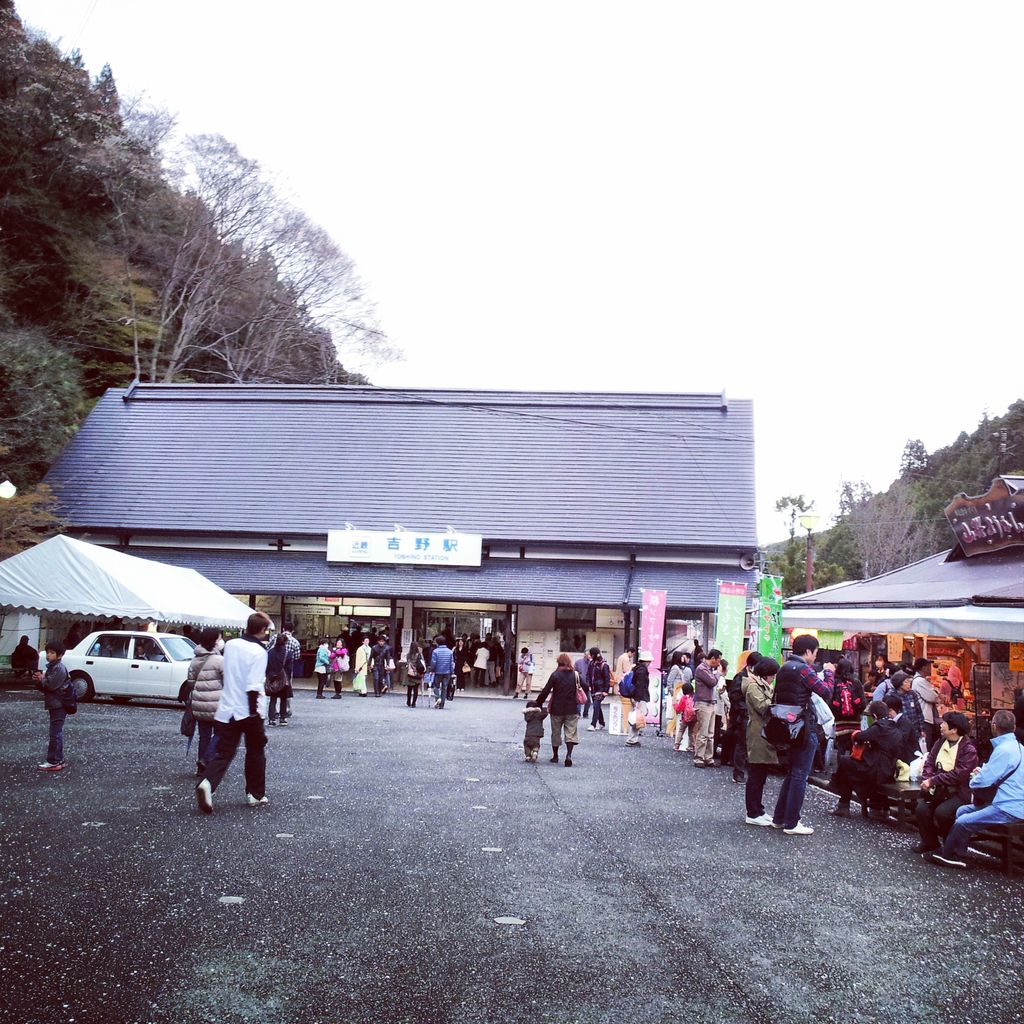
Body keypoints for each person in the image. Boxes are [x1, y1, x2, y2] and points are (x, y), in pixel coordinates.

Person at [195, 611, 271, 813]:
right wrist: (254, 713)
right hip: (249, 710)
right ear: (263, 629)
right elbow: (253, 685)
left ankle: (207, 783)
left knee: (225, 752)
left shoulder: (231, 645)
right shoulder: (259, 652)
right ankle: (255, 794)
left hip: (227, 707)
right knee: (255, 751)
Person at [928, 709, 1024, 869]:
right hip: (1011, 802)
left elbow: (982, 781)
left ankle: (949, 854)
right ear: (1013, 728)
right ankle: (959, 853)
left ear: (994, 726)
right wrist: (984, 772)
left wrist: (974, 778)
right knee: (962, 811)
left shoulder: (1003, 750)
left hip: (1007, 807)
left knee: (963, 821)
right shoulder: (1018, 747)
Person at [771, 635, 835, 836]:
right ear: (808, 651)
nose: (815, 657)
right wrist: (829, 673)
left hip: (788, 727)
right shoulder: (804, 670)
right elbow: (826, 692)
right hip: (805, 728)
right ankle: (792, 823)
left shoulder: (784, 668)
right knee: (800, 775)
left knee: (793, 773)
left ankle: (779, 818)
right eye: (815, 652)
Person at [915, 712, 979, 855]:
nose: (941, 725)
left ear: (954, 729)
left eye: (944, 723)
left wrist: (933, 780)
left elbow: (959, 775)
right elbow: (929, 762)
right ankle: (930, 843)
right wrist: (927, 778)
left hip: (958, 792)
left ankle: (951, 846)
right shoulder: (940, 742)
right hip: (938, 790)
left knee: (943, 812)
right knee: (922, 809)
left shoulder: (968, 750)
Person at [829, 700, 902, 817]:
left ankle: (841, 800)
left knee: (844, 761)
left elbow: (860, 737)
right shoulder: (895, 728)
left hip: (875, 770)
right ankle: (869, 806)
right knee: (847, 765)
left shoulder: (879, 727)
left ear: (874, 716)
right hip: (889, 770)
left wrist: (855, 734)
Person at [742, 656, 780, 825]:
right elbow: (763, 707)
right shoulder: (752, 686)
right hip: (758, 733)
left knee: (761, 774)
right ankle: (752, 812)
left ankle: (759, 809)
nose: (774, 678)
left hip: (764, 732)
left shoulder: (762, 685)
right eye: (772, 675)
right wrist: (777, 701)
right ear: (765, 674)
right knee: (756, 774)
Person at [187, 628, 224, 773]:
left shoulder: (195, 659)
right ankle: (206, 758)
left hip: (199, 704)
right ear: (214, 641)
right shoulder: (219, 660)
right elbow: (227, 681)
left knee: (204, 736)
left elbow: (191, 682)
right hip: (216, 704)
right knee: (221, 732)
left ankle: (201, 768)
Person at [535, 652, 581, 766]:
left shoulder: (555, 675)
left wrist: (538, 702)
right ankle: (568, 755)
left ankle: (555, 756)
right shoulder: (575, 674)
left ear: (558, 662)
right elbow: (584, 686)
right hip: (572, 708)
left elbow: (546, 690)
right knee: (571, 733)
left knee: (556, 732)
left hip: (556, 708)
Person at [33, 640, 71, 772]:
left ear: (59, 655)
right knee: (57, 732)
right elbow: (46, 687)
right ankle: (59, 759)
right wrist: (40, 680)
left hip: (58, 704)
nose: (48, 655)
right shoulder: (53, 667)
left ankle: (53, 761)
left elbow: (50, 685)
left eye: (52, 653)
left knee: (55, 733)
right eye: (48, 652)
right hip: (55, 703)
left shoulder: (59, 668)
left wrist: (41, 679)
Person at [828, 658, 866, 756]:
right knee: (854, 746)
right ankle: (852, 764)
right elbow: (863, 703)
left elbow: (830, 702)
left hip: (840, 721)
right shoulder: (856, 682)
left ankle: (840, 764)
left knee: (841, 747)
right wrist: (858, 713)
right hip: (855, 720)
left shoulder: (835, 683)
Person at [692, 649, 722, 767]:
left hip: (710, 703)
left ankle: (708, 757)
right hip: (703, 703)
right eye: (718, 660)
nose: (719, 663)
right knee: (703, 732)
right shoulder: (702, 669)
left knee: (710, 733)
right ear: (713, 658)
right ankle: (699, 758)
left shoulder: (708, 669)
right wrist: (719, 673)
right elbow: (712, 682)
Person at [884, 693, 923, 767]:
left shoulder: (904, 722)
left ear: (890, 710)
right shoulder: (894, 721)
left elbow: (899, 741)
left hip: (911, 762)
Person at [625, 650, 653, 748]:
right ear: (646, 661)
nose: (650, 663)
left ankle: (632, 738)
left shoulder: (636, 668)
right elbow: (640, 685)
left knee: (636, 717)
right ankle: (632, 739)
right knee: (638, 718)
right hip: (640, 697)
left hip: (636, 696)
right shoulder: (642, 670)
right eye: (649, 661)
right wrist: (637, 699)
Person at [911, 658, 940, 748]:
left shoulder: (919, 680)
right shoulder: (920, 681)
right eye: (929, 666)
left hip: (924, 718)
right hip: (924, 718)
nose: (930, 669)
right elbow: (932, 697)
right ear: (924, 668)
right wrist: (936, 693)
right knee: (925, 746)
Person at [278, 621, 301, 724]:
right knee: (286, 688)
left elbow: (268, 649)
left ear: (283, 629)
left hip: (275, 667)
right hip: (287, 669)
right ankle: (286, 710)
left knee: (274, 689)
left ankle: (274, 711)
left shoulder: (275, 638)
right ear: (293, 630)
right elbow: (297, 656)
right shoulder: (295, 642)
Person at [265, 634, 290, 725]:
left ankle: (272, 719)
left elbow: (267, 666)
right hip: (283, 677)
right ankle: (283, 718)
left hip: (272, 677)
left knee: (273, 699)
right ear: (285, 642)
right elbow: (289, 668)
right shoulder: (287, 653)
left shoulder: (270, 652)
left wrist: (269, 676)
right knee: (284, 698)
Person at [587, 648, 611, 732]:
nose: (589, 656)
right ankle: (602, 722)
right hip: (593, 688)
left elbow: (607, 678)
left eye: (590, 654)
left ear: (593, 655)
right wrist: (589, 685)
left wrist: (606, 691)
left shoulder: (604, 665)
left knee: (596, 705)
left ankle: (593, 724)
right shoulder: (591, 663)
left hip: (601, 689)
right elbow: (588, 675)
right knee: (597, 706)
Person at [431, 635, 455, 709]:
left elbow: (433, 663)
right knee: (444, 688)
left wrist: (432, 670)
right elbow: (451, 663)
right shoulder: (450, 652)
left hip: (438, 672)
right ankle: (442, 704)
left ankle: (438, 698)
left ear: (438, 643)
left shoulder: (435, 651)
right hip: (447, 672)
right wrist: (452, 672)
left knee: (436, 686)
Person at [405, 641, 424, 707]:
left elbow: (407, 663)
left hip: (410, 673)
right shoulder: (419, 655)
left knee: (409, 689)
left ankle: (408, 701)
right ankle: (414, 703)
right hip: (417, 673)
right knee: (416, 689)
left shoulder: (408, 655)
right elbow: (422, 663)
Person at [573, 649, 591, 717]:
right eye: (588, 654)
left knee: (588, 700)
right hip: (579, 684)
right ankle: (578, 713)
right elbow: (574, 672)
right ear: (584, 654)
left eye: (590, 655)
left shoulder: (591, 663)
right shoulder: (578, 662)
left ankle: (585, 713)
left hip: (587, 684)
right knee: (578, 699)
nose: (589, 656)